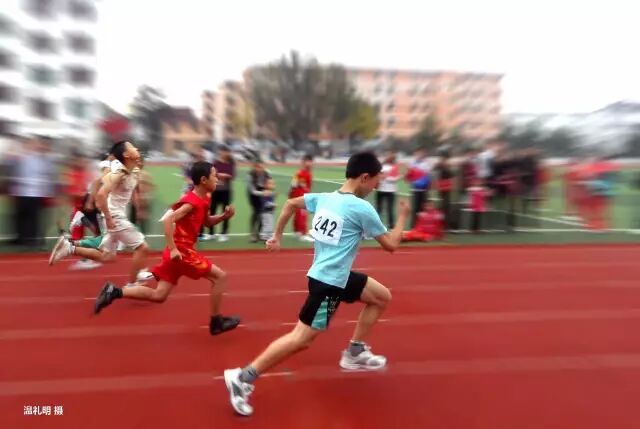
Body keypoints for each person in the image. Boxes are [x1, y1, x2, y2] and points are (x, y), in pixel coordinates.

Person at [223, 151, 410, 416]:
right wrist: (402, 217)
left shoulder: (324, 198)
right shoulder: (361, 208)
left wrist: (277, 236)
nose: (376, 187)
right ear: (364, 177)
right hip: (329, 285)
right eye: (375, 181)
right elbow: (391, 245)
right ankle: (243, 377)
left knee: (381, 297)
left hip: (333, 276)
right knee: (301, 339)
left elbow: (290, 204)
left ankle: (354, 352)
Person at [93, 161, 241, 335]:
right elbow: (168, 220)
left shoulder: (205, 199)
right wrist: (174, 249)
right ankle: (216, 322)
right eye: (215, 176)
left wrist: (223, 216)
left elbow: (206, 222)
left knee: (159, 295)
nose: (218, 179)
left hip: (177, 254)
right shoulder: (191, 202)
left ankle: (114, 292)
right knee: (220, 277)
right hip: (182, 252)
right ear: (203, 180)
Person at [49, 141, 150, 287]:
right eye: (133, 147)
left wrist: (111, 160)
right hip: (115, 217)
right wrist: (108, 217)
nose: (137, 148)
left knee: (107, 256)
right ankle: (132, 284)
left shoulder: (133, 170)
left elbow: (125, 169)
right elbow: (102, 194)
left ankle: (69, 247)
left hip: (116, 216)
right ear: (126, 155)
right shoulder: (119, 173)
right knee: (142, 247)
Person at [209, 145, 236, 241]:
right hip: (215, 190)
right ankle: (211, 233)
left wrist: (223, 175)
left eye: (226, 151)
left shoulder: (231, 163)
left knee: (226, 212)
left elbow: (232, 175)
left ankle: (224, 233)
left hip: (226, 191)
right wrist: (220, 175)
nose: (223, 153)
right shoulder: (215, 163)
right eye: (222, 151)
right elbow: (212, 174)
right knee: (212, 211)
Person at [289, 154, 314, 242]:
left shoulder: (303, 172)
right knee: (302, 214)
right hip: (301, 196)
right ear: (304, 162)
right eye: (308, 161)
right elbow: (296, 185)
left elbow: (294, 185)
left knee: (299, 213)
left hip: (300, 195)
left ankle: (297, 231)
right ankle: (302, 233)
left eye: (311, 162)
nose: (310, 164)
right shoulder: (302, 173)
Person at [247, 159, 271, 243]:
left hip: (263, 193)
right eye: (258, 167)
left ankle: (260, 233)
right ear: (254, 167)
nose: (260, 169)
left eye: (261, 167)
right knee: (256, 212)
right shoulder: (250, 175)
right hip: (254, 195)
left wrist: (269, 192)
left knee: (263, 214)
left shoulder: (267, 173)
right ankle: (253, 233)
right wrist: (263, 193)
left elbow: (270, 184)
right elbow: (252, 191)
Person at [375, 150, 400, 229]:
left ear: (393, 157)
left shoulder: (395, 166)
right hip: (380, 190)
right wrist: (380, 177)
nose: (389, 156)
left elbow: (396, 178)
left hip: (391, 191)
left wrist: (386, 177)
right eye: (388, 155)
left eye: (391, 155)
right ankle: (376, 225)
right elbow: (377, 175)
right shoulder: (381, 165)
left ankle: (391, 225)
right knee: (379, 209)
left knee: (390, 209)